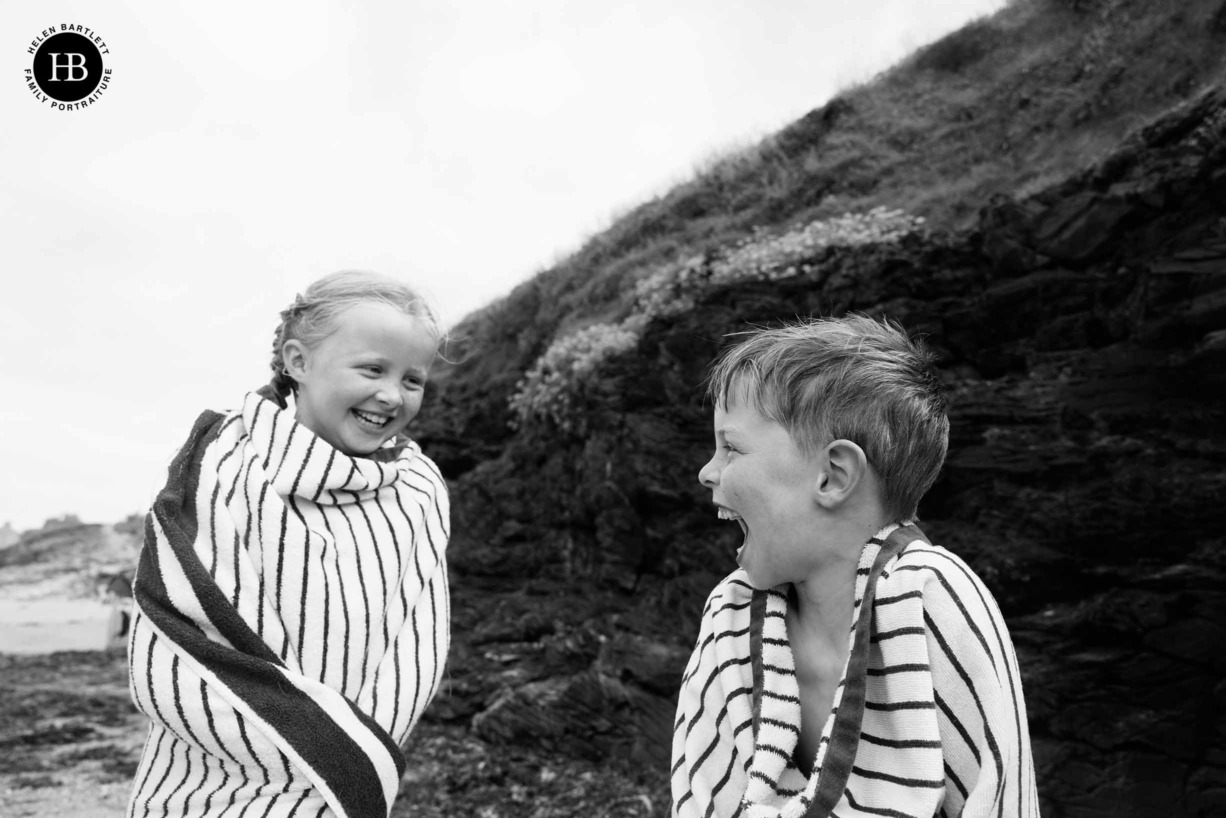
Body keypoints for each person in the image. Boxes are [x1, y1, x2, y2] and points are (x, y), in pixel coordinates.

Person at [670, 315, 1039, 818]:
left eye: (730, 447)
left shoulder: (936, 601)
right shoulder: (729, 619)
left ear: (834, 475)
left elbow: (1002, 803)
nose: (706, 473)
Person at [126, 270, 451, 818]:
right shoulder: (226, 465)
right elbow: (182, 637)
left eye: (413, 380)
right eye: (372, 369)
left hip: (342, 790)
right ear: (298, 362)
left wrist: (351, 759)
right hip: (202, 792)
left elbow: (419, 642)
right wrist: (317, 744)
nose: (392, 395)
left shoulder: (418, 489)